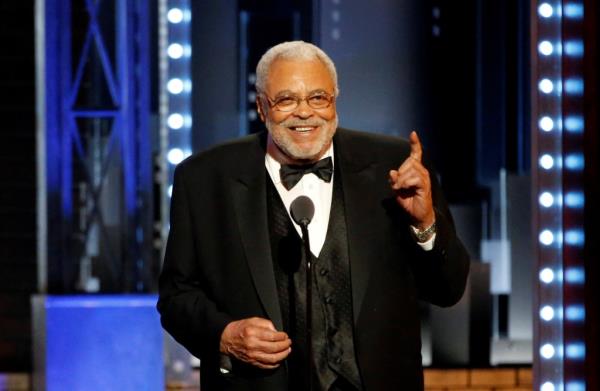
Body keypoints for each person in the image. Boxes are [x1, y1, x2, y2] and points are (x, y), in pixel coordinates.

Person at [158, 41, 470, 391]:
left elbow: (448, 289)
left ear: (335, 101)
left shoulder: (395, 165)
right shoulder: (203, 178)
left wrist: (425, 223)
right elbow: (176, 297)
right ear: (262, 108)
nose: (304, 112)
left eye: (318, 98)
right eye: (286, 99)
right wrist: (225, 335)